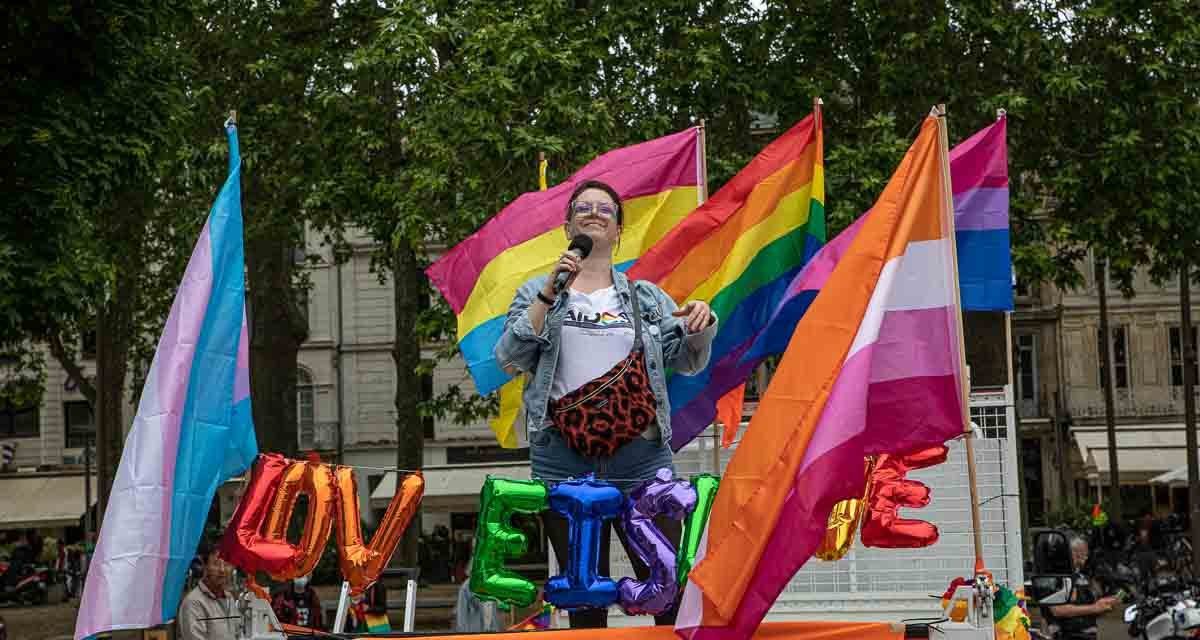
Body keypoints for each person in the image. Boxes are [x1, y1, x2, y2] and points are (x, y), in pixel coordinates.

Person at [495, 179, 718, 628]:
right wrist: (549, 294)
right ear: (567, 226)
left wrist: (702, 321)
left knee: (665, 588)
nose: (594, 213)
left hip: (641, 457)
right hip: (563, 457)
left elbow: (688, 361)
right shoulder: (538, 292)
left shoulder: (646, 297)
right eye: (583, 208)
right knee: (584, 595)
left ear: (619, 230)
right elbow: (509, 358)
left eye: (605, 209)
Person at [1041, 537, 1120, 640]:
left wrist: (1103, 606)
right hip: (1065, 635)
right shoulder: (1052, 577)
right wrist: (1095, 607)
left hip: (1088, 635)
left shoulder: (1083, 578)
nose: (1083, 557)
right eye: (1079, 552)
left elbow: (1088, 610)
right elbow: (1058, 610)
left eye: (1084, 553)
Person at [177, 545, 236, 640]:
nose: (222, 570)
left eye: (226, 563)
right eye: (216, 563)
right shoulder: (194, 603)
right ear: (204, 566)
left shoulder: (229, 598)